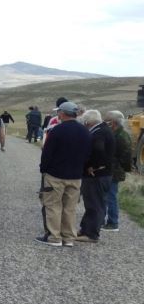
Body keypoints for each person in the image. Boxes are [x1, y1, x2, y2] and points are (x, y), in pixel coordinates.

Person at [35, 102, 91, 247]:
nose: (58, 114)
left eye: (59, 112)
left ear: (63, 113)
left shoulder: (57, 130)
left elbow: (47, 153)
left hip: (55, 175)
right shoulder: (85, 131)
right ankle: (69, 238)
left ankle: (54, 237)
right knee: (70, 208)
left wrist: (43, 169)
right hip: (75, 176)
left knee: (53, 206)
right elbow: (87, 154)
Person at [75, 109, 115, 243]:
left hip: (97, 175)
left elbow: (98, 150)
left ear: (88, 122)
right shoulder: (104, 129)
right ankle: (85, 229)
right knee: (94, 203)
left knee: (95, 204)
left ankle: (91, 234)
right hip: (103, 175)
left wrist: (93, 166)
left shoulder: (99, 133)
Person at [103, 110, 133, 232]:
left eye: (108, 121)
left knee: (111, 196)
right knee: (108, 196)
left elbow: (125, 156)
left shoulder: (121, 136)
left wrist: (120, 168)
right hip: (113, 169)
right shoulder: (117, 133)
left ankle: (113, 223)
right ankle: (109, 220)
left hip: (115, 170)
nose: (106, 123)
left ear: (114, 122)